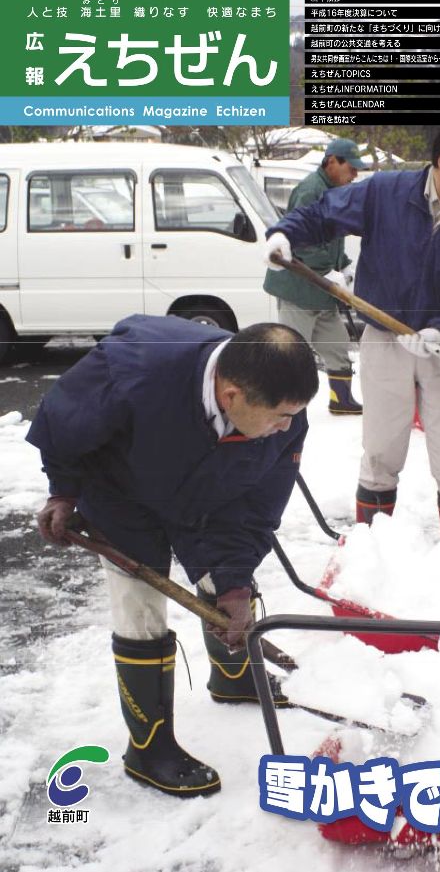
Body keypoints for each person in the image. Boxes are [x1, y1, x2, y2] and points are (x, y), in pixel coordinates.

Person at [27, 314, 318, 798]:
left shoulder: (283, 417)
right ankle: (150, 749)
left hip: (208, 494)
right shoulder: (135, 369)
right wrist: (63, 492)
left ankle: (234, 678)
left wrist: (234, 583)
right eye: (279, 417)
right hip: (122, 493)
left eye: (293, 415)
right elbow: (62, 423)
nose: (287, 427)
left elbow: (255, 508)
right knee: (140, 608)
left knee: (230, 585)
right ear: (231, 396)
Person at [265, 125, 440, 546]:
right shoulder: (386, 193)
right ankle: (373, 551)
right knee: (380, 451)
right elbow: (323, 213)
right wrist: (285, 233)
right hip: (384, 339)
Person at [263, 138, 366, 415]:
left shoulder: (336, 192)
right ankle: (281, 406)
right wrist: (328, 272)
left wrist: (343, 266)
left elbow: (332, 242)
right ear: (331, 161)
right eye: (351, 168)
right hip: (299, 289)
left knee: (336, 345)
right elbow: (299, 243)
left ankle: (340, 399)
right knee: (293, 351)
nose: (355, 174)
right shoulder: (311, 191)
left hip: (323, 291)